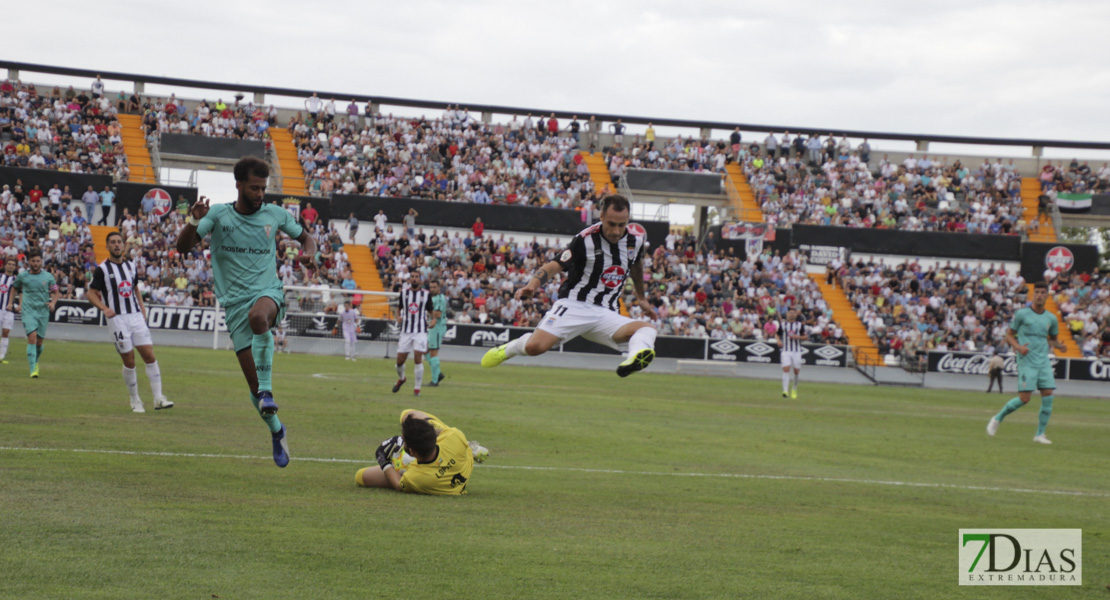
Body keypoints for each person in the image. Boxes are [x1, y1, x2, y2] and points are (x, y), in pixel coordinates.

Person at [175, 156, 317, 467]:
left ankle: (268, 391)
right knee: (254, 390)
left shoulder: (275, 214)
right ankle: (277, 431)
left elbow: (308, 239)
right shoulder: (218, 215)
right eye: (254, 188)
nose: (260, 194)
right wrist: (194, 220)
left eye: (263, 188)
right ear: (238, 185)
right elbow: (182, 247)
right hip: (234, 304)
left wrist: (308, 256)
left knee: (259, 318)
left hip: (267, 294)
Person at [482, 194, 657, 377]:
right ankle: (508, 349)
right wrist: (532, 285)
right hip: (575, 305)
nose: (616, 231)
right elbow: (553, 266)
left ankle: (634, 358)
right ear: (602, 217)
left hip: (606, 313)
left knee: (647, 329)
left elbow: (636, 268)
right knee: (535, 347)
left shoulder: (635, 242)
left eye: (621, 225)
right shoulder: (585, 240)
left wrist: (642, 298)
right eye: (611, 224)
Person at [87, 231, 173, 413]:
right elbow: (90, 293)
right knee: (129, 360)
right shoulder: (102, 269)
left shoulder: (131, 266)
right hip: (117, 319)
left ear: (124, 245)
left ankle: (158, 398)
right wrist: (104, 308)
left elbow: (135, 288)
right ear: (108, 246)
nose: (117, 245)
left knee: (149, 356)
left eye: (120, 242)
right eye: (113, 242)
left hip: (135, 316)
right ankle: (135, 400)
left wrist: (142, 308)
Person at [987, 282, 1067, 444]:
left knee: (1049, 396)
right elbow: (1009, 335)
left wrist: (1061, 346)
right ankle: (997, 418)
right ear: (1033, 295)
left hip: (1043, 361)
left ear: (1046, 296)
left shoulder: (1051, 318)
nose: (1039, 295)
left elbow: (1053, 340)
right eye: (1036, 292)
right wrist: (1017, 346)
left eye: (1042, 292)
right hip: (1026, 361)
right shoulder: (1022, 314)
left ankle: (1039, 434)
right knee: (1024, 399)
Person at [355, 409, 487, 495]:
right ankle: (468, 446)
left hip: (423, 468)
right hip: (460, 460)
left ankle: (403, 460)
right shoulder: (455, 436)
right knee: (409, 416)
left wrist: (383, 459)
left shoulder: (415, 477)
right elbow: (439, 433)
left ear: (411, 451)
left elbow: (398, 485)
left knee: (360, 476)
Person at [6, 249, 59, 378]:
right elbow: (14, 288)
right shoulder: (23, 276)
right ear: (29, 262)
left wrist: (53, 303)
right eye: (33, 261)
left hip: (43, 311)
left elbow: (56, 292)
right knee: (32, 338)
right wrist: (10, 302)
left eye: (38, 261)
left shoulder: (48, 277)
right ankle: (33, 370)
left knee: (39, 343)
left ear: (41, 262)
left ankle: (35, 361)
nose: (35, 263)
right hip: (28, 311)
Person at [392, 284, 430, 396]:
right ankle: (402, 378)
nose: (414, 278)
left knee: (418, 357)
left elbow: (431, 310)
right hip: (406, 331)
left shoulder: (426, 294)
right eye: (412, 276)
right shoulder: (404, 293)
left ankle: (417, 389)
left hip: (420, 331)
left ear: (419, 279)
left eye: (416, 276)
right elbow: (398, 308)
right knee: (399, 362)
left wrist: (433, 320)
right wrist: (397, 316)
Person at [776, 306, 805, 399]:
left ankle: (794, 388)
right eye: (790, 313)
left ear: (796, 315)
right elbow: (777, 334)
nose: (792, 314)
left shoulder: (800, 325)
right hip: (786, 350)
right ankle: (785, 390)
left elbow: (806, 337)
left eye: (793, 313)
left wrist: (798, 337)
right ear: (787, 314)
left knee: (796, 371)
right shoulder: (783, 324)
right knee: (786, 369)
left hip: (796, 351)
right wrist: (778, 341)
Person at [426, 279, 448, 386]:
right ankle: (438, 373)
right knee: (424, 348)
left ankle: (435, 381)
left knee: (433, 352)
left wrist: (425, 311)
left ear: (439, 287)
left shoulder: (439, 298)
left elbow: (438, 314)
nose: (432, 289)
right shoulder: (433, 297)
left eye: (434, 287)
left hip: (437, 327)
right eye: (431, 287)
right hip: (433, 327)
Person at [0, 257, 17, 364]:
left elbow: (21, 293)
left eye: (13, 264)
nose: (11, 266)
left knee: (5, 332)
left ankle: (1, 355)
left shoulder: (16, 280)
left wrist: (20, 305)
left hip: (9, 309)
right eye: (9, 264)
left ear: (15, 267)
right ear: (5, 265)